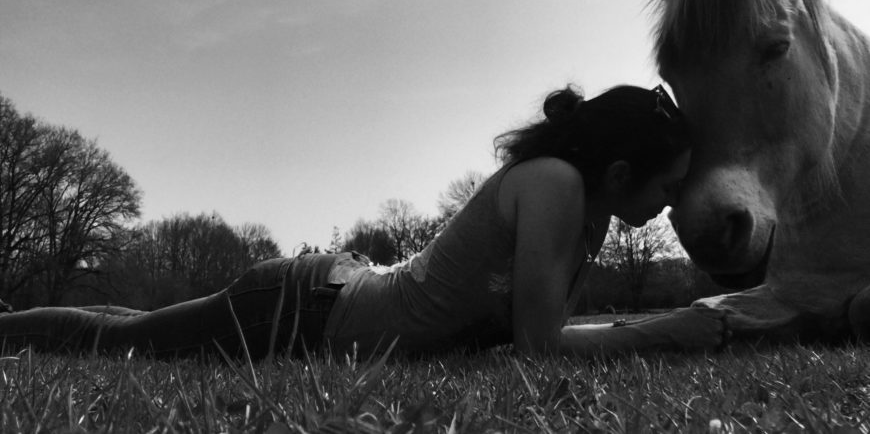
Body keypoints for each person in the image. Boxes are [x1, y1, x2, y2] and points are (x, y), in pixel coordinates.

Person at [0, 85, 726, 360]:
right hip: (300, 308)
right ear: (623, 172)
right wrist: (673, 328)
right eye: (669, 182)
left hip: (332, 296)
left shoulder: (589, 222)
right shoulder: (556, 185)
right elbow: (538, 346)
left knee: (131, 325)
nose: (673, 201)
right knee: (122, 339)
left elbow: (519, 340)